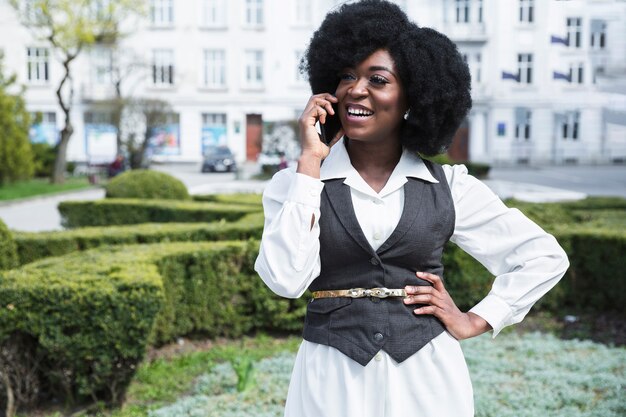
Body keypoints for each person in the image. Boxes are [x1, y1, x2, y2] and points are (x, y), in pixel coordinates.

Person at [254, 1, 569, 416]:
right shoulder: (295, 186)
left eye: (377, 79)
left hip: (427, 379)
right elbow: (285, 280)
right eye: (347, 75)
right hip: (331, 379)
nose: (356, 89)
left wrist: (477, 318)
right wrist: (310, 163)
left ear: (411, 97)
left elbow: (543, 257)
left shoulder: (450, 187)